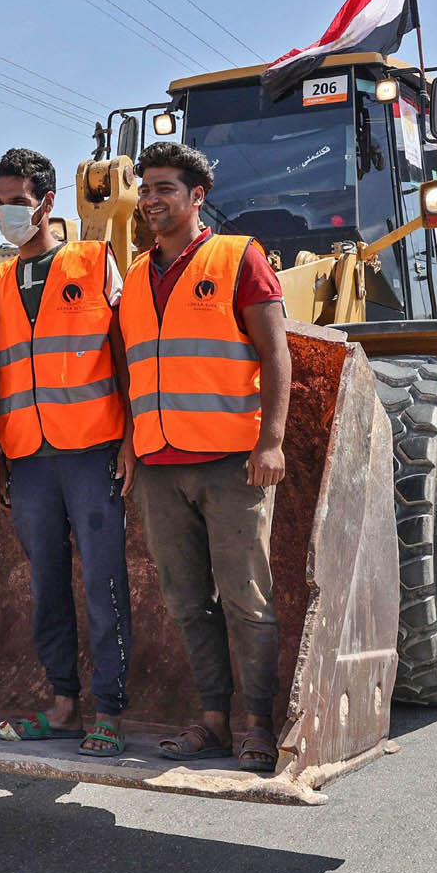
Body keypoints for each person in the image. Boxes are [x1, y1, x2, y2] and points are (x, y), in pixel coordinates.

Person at [119, 142, 292, 773]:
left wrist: (270, 441)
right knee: (187, 600)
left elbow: (277, 355)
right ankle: (213, 718)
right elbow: (133, 369)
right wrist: (129, 444)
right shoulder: (136, 275)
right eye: (146, 189)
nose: (151, 200)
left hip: (230, 461)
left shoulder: (239, 257)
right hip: (160, 464)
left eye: (165, 188)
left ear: (197, 197)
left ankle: (258, 722)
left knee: (245, 597)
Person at [0, 149, 133, 757]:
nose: (4, 212)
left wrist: (131, 436)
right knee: (45, 584)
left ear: (46, 203)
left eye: (16, 201)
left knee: (103, 582)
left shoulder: (95, 261)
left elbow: (125, 350)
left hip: (91, 449)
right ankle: (64, 702)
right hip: (29, 457)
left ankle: (111, 707)